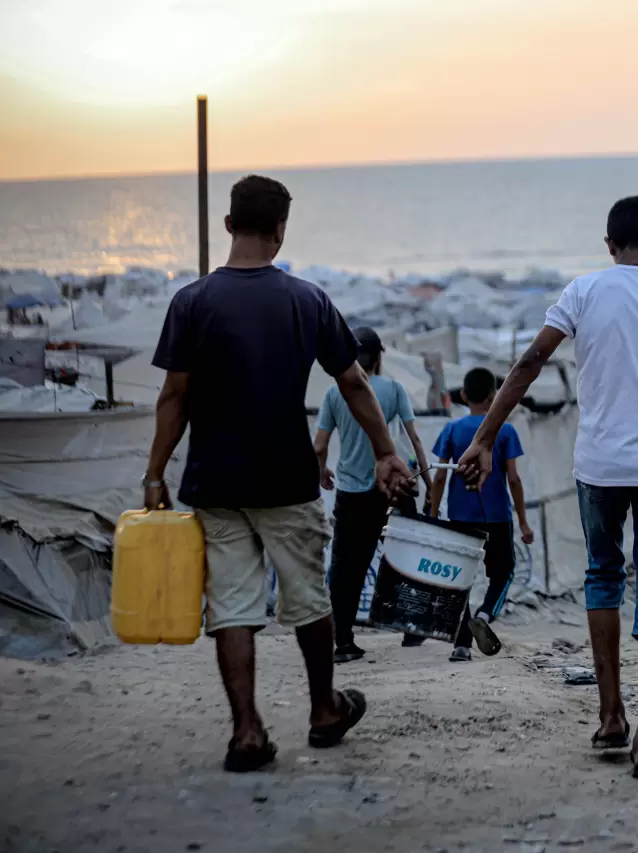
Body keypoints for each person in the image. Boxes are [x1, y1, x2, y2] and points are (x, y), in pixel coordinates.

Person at [454, 196, 638, 780]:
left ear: (609, 244)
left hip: (598, 469)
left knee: (602, 577)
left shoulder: (582, 292)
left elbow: (531, 361)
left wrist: (483, 437)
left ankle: (611, 719)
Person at [144, 175, 412, 773]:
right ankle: (323, 710)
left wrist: (154, 474)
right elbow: (352, 380)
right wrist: (386, 450)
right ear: (280, 230)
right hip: (287, 478)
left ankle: (246, 731)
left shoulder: (191, 302)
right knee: (308, 595)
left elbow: (173, 396)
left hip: (214, 481)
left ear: (228, 226)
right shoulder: (306, 299)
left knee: (234, 607)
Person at [314, 326, 429, 664]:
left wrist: (322, 472)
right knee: (404, 559)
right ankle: (411, 627)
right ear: (380, 356)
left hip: (351, 492)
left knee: (346, 567)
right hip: (393, 488)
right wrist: (426, 482)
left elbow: (319, 446)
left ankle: (343, 641)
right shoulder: (394, 389)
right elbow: (415, 439)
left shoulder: (334, 394)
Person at [428, 367, 535, 662]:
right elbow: (514, 479)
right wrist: (524, 522)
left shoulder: (451, 430)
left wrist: (435, 513)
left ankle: (461, 646)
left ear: (463, 396)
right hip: (497, 517)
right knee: (503, 572)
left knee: (459, 579)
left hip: (460, 516)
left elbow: (438, 477)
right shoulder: (506, 430)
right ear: (494, 397)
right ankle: (486, 614)